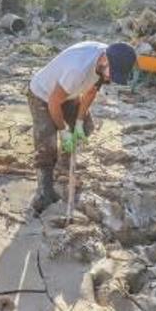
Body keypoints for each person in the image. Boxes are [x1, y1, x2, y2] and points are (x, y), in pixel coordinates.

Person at [27, 41, 137, 213]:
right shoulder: (77, 69)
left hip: (69, 93)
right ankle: (44, 190)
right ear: (104, 60)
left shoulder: (107, 61)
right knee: (47, 144)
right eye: (112, 74)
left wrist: (78, 123)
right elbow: (54, 102)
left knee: (86, 127)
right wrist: (63, 131)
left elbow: (91, 92)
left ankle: (64, 165)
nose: (110, 78)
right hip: (43, 95)